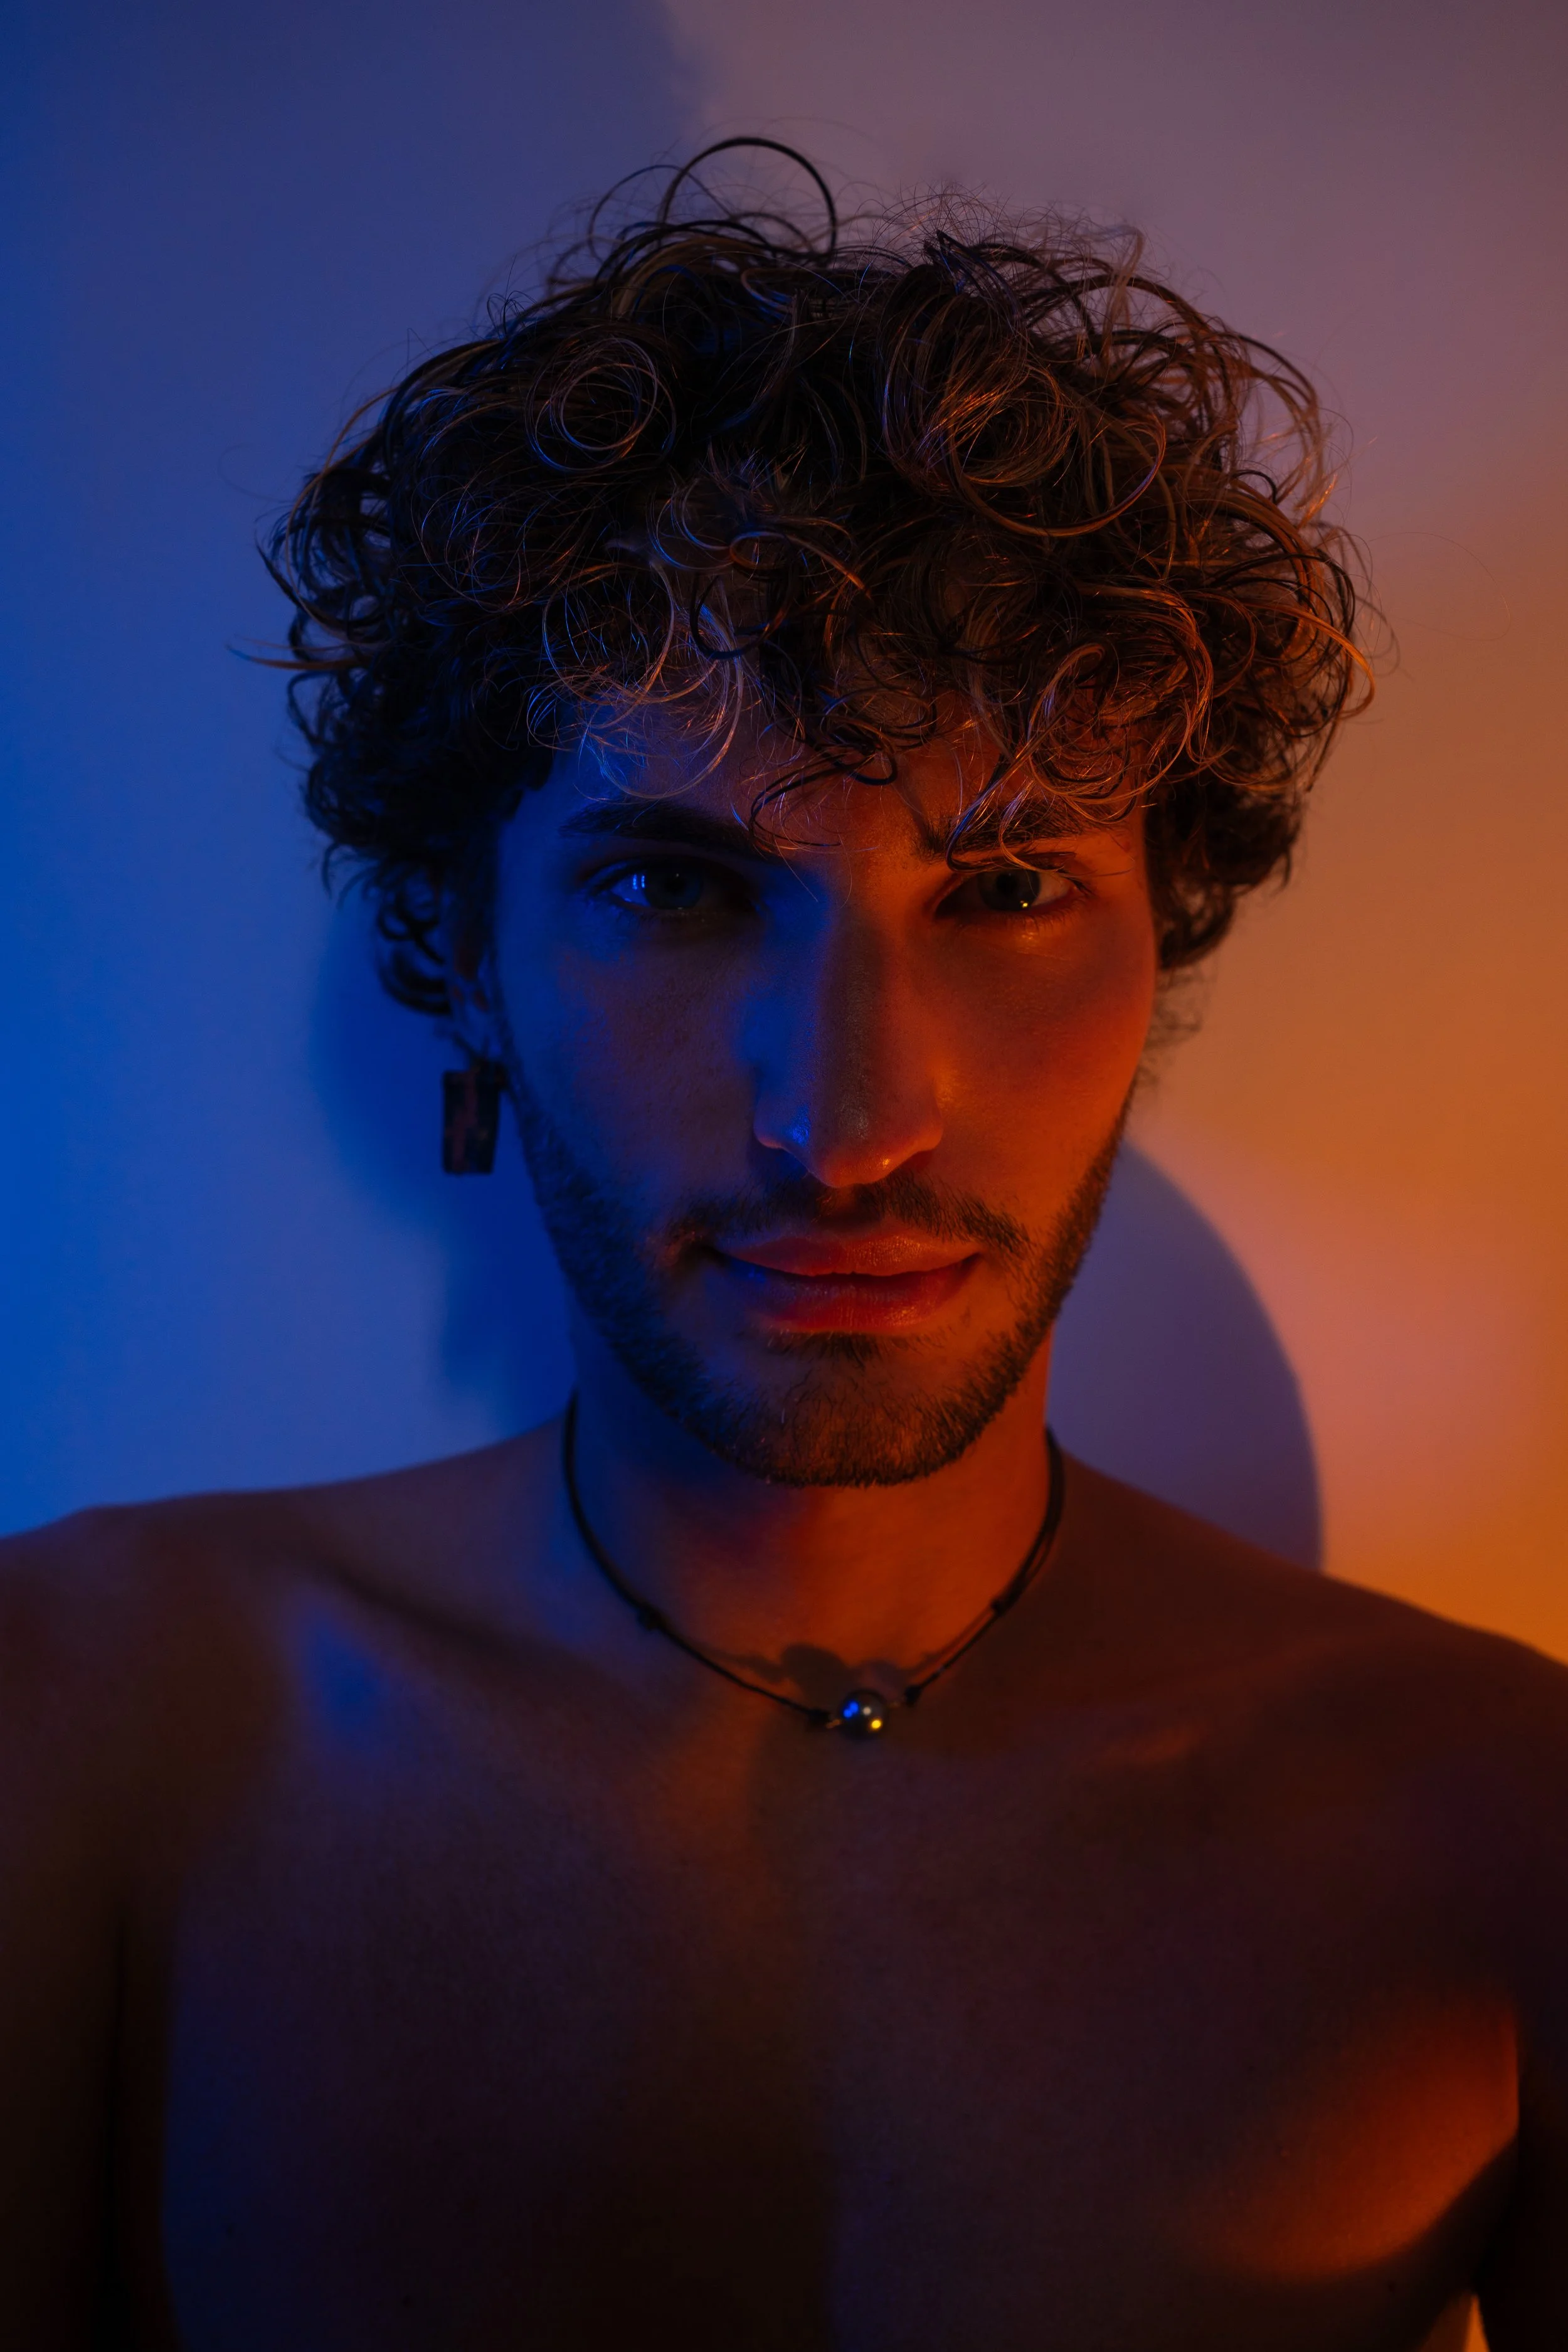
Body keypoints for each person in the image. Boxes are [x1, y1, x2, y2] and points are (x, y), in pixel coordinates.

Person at [2, 145, 1564, 2351]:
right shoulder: (82, 1727)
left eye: (1004, 890)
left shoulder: (1501, 1822)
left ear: (1160, 944)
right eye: (674, 887)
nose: (844, 1123)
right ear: (461, 946)